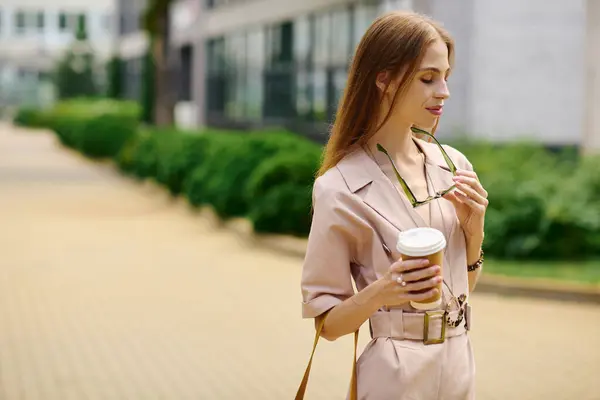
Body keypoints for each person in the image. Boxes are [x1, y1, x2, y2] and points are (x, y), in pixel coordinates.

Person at [299, 10, 489, 400]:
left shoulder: (452, 167)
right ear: (383, 79)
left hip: (458, 361)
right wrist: (385, 290)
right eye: (427, 78)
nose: (444, 91)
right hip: (396, 375)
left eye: (445, 77)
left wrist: (474, 231)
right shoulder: (339, 187)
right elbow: (328, 325)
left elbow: (461, 287)